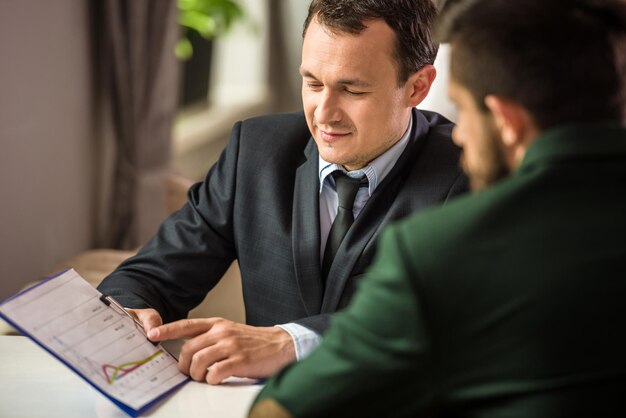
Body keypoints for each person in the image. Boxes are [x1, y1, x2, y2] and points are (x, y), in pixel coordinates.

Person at [247, 0, 626, 416]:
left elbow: (282, 410)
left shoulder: (444, 250)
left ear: (506, 122)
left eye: (462, 109)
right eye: (313, 83)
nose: (458, 134)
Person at [97, 0, 467, 384]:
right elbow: (150, 276)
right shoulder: (254, 150)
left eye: (352, 89)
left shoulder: (471, 174)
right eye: (312, 83)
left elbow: (451, 322)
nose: (324, 113)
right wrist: (131, 309)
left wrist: (293, 343)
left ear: (417, 87)